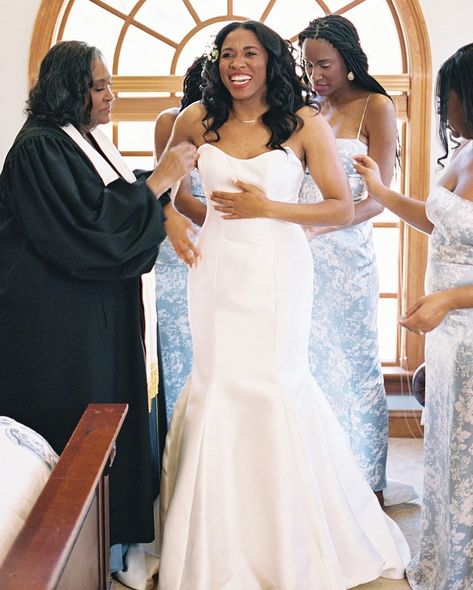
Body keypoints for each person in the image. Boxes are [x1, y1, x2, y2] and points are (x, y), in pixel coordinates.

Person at [157, 20, 410, 589]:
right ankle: (215, 540)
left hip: (279, 271)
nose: (236, 63)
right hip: (217, 271)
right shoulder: (196, 118)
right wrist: (177, 218)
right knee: (217, 384)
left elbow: (341, 208)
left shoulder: (304, 124)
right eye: (226, 53)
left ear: (270, 61)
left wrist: (268, 210)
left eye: (249, 52)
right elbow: (171, 187)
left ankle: (287, 539)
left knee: (273, 386)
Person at [0, 40, 196, 567]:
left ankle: (117, 532)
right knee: (73, 417)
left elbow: (114, 199)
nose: (112, 95)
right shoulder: (40, 148)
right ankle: (77, 552)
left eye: (110, 84)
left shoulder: (82, 140)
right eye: (100, 86)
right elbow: (89, 230)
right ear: (69, 90)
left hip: (95, 310)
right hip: (56, 323)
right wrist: (161, 178)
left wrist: (157, 195)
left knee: (111, 410)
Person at [354, 42, 473, 590]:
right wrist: (380, 191)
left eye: (448, 96)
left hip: (465, 324)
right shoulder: (464, 151)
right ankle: (449, 562)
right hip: (449, 336)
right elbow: (433, 220)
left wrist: (449, 299)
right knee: (448, 452)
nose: (444, 109)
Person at [296, 14, 398, 506]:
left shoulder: (375, 107)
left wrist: (327, 222)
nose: (316, 75)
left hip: (347, 255)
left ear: (348, 60)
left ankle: (367, 482)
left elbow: (381, 199)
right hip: (300, 252)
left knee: (355, 363)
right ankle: (318, 479)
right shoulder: (305, 110)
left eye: (325, 65)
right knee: (308, 364)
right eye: (309, 65)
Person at [154, 55, 207, 424]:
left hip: (223, 245)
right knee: (179, 345)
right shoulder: (172, 121)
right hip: (180, 240)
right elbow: (178, 196)